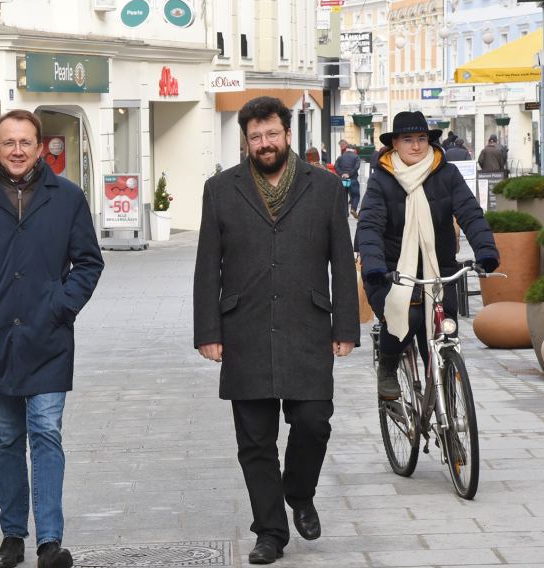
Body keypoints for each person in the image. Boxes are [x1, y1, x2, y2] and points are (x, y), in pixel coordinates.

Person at [194, 96, 359, 565]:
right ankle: (270, 531)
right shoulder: (221, 189)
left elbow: (341, 264)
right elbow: (208, 265)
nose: (264, 144)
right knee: (255, 440)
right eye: (255, 137)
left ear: (288, 134)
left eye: (272, 134)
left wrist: (345, 324)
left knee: (313, 421)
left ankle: (299, 491)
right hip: (243, 328)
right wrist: (208, 329)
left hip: (307, 326)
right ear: (245, 141)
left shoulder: (325, 187)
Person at [0, 109, 104, 568]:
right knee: (8, 438)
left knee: (46, 432)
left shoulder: (67, 197)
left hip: (47, 335)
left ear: (40, 146)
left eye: (25, 142)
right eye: (8, 142)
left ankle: (50, 541)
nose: (16, 150)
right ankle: (12, 535)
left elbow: (89, 262)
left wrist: (60, 305)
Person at [356, 111, 498, 400]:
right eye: (408, 139)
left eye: (421, 139)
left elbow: (470, 212)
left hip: (439, 271)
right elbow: (369, 225)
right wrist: (373, 266)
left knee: (443, 332)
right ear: (395, 143)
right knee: (406, 318)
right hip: (392, 273)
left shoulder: (446, 173)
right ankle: (388, 366)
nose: (417, 146)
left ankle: (444, 402)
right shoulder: (382, 179)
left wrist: (485, 251)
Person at [334, 139, 362, 218]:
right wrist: (349, 174)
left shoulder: (341, 157)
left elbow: (336, 166)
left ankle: (345, 214)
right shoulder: (356, 157)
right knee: (356, 195)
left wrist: (342, 174)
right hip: (352, 179)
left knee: (344, 196)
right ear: (354, 150)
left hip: (343, 180)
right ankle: (353, 208)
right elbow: (357, 167)